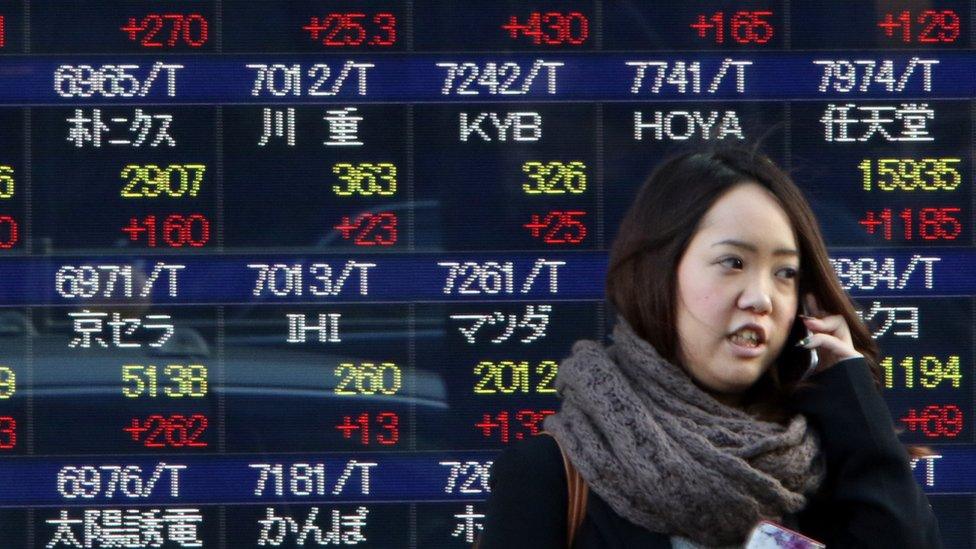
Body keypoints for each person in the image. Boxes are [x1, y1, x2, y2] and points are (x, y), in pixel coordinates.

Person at [476, 147, 942, 548]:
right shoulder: (549, 476)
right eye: (732, 262)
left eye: (785, 273)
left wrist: (849, 387)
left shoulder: (823, 472)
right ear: (658, 273)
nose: (761, 298)